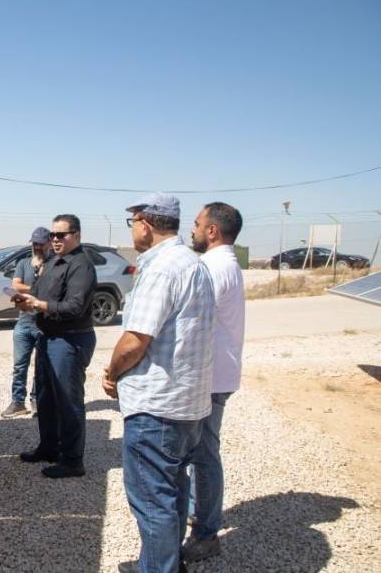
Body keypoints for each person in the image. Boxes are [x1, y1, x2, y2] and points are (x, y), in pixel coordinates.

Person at [102, 193, 215, 573]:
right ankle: (163, 562)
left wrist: (111, 372)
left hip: (157, 407)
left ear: (145, 224)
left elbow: (135, 340)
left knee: (153, 501)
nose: (132, 230)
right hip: (187, 404)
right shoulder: (192, 263)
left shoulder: (163, 268)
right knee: (173, 490)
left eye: (132, 222)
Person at [13, 215, 97, 479]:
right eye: (53, 235)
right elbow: (38, 293)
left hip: (70, 339)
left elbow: (74, 306)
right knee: (46, 398)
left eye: (62, 235)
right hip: (48, 337)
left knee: (68, 402)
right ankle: (49, 448)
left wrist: (39, 305)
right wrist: (25, 301)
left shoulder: (81, 265)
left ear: (77, 235)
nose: (56, 239)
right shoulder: (52, 262)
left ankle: (72, 460)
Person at [183, 202, 245, 562]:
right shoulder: (223, 264)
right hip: (215, 375)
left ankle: (205, 534)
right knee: (200, 455)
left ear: (212, 231)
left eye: (196, 223)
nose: (191, 230)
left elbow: (193, 324)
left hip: (209, 378)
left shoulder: (213, 267)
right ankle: (200, 517)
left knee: (203, 457)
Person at [1, 226, 51, 418]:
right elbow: (16, 284)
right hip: (23, 323)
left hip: (43, 324)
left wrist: (29, 289)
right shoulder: (23, 263)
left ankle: (37, 401)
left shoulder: (54, 265)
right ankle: (17, 402)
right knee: (19, 366)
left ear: (49, 243)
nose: (37, 247)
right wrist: (37, 289)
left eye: (41, 243)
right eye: (35, 243)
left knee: (41, 367)